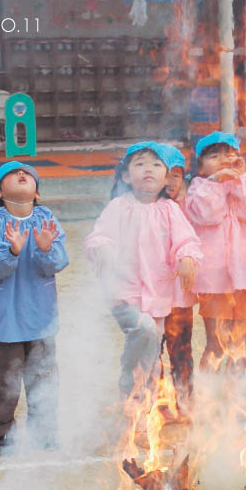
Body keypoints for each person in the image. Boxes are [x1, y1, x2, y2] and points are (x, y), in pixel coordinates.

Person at [85, 142, 201, 437]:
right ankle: (128, 393)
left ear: (167, 178)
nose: (147, 168)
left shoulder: (170, 210)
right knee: (144, 332)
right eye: (139, 164)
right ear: (125, 176)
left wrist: (187, 257)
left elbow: (186, 241)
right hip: (124, 293)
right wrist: (104, 249)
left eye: (155, 164)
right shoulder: (118, 207)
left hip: (158, 295)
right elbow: (99, 236)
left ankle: (137, 417)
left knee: (150, 362)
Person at [0, 162, 68, 455]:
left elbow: (58, 262)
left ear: (37, 194)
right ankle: (2, 432)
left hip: (40, 317)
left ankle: (44, 430)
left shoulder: (47, 218)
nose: (22, 174)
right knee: (4, 377)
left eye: (28, 174)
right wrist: (11, 250)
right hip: (3, 319)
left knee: (43, 376)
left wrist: (46, 248)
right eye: (12, 174)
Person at [184, 131, 246, 374]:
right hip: (214, 280)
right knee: (216, 343)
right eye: (213, 156)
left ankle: (235, 400)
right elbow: (208, 214)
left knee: (239, 342)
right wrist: (215, 184)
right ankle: (208, 395)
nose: (222, 160)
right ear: (200, 165)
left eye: (229, 155)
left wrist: (241, 179)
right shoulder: (199, 188)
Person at [160, 144, 195, 421]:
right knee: (152, 355)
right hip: (152, 300)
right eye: (166, 173)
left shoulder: (188, 207)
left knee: (182, 351)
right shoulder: (143, 210)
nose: (171, 181)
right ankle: (159, 403)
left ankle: (185, 400)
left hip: (180, 298)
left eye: (177, 175)